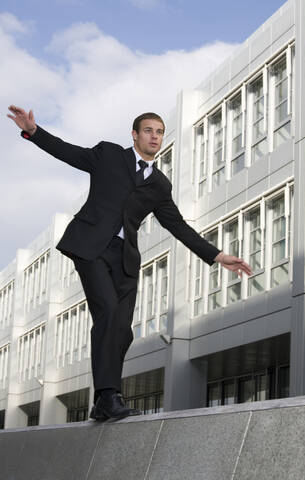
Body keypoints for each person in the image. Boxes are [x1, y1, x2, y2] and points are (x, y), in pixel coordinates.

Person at [7, 105, 252, 422]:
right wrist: (34, 131)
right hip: (92, 247)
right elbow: (68, 153)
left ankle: (102, 402)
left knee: (122, 331)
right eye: (148, 130)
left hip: (125, 260)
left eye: (160, 132)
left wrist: (217, 255)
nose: (155, 136)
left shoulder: (160, 185)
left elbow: (176, 225)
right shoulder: (108, 155)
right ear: (135, 135)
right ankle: (109, 396)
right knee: (107, 312)